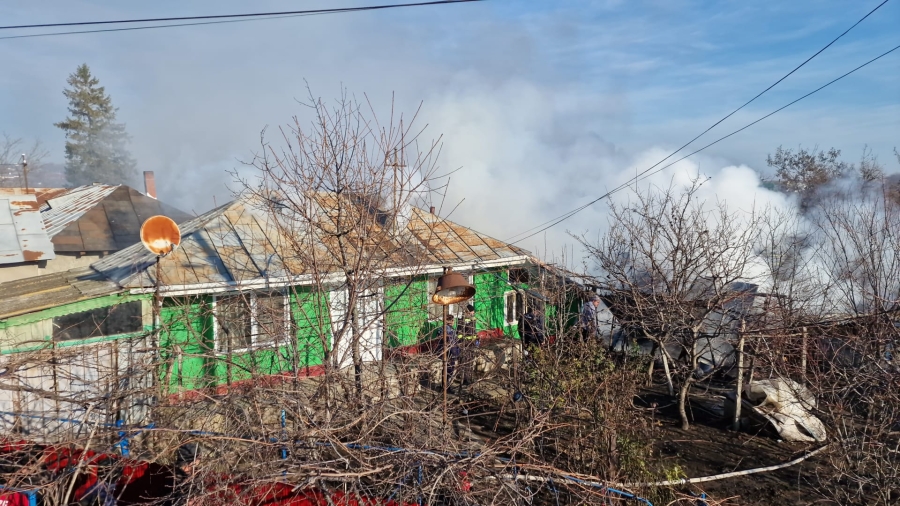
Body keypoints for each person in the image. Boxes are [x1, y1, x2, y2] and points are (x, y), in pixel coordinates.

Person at [436, 314, 460, 390]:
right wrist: (455, 353)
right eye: (453, 320)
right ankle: (446, 387)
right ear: (450, 321)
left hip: (445, 352)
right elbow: (451, 343)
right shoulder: (448, 330)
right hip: (449, 353)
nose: (454, 322)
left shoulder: (442, 329)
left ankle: (444, 386)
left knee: (446, 369)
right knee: (449, 370)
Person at [457, 304, 478, 385]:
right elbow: (459, 334)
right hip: (465, 345)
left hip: (472, 344)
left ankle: (469, 377)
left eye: (473, 312)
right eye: (471, 312)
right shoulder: (462, 321)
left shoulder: (473, 320)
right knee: (465, 362)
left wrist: (476, 338)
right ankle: (464, 379)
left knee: (470, 362)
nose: (473, 314)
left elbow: (474, 331)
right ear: (467, 312)